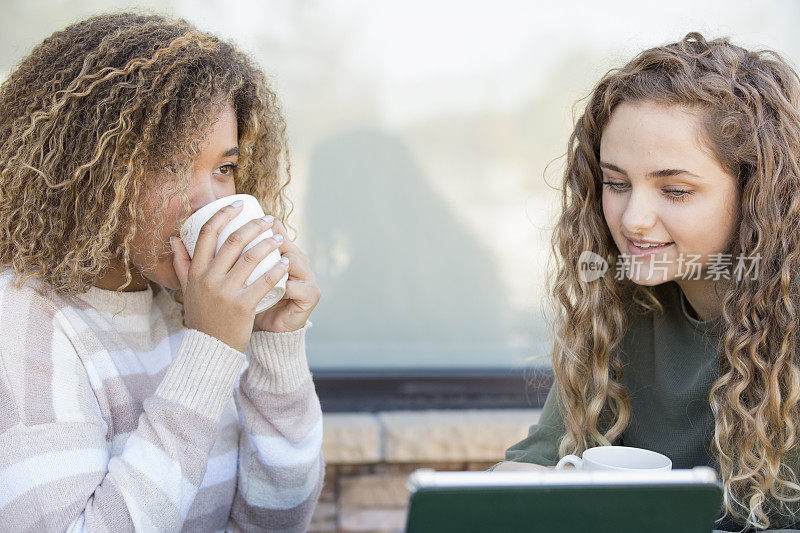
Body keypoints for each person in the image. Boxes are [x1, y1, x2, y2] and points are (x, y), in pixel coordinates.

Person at [0, 11, 323, 532]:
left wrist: (272, 345)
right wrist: (210, 351)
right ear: (90, 173)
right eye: (171, 165)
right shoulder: (21, 322)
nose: (210, 203)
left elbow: (275, 523)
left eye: (224, 168)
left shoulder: (190, 305)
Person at [494, 32, 800, 532]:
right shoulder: (620, 300)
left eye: (675, 191)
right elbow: (541, 463)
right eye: (616, 183)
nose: (633, 219)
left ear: (757, 194)